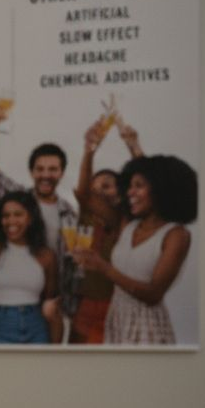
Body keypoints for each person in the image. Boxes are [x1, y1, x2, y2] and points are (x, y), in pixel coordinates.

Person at [0, 103, 79, 337]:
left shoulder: (70, 213)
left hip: (50, 301)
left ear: (61, 173)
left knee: (46, 367)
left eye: (53, 169)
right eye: (40, 169)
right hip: (12, 294)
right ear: (32, 172)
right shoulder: (17, 198)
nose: (46, 175)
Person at [73, 154, 197, 345]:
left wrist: (103, 267)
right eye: (130, 186)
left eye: (138, 186)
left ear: (161, 189)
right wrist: (89, 150)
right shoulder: (127, 223)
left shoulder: (176, 235)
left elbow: (153, 294)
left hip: (147, 325)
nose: (130, 192)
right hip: (117, 318)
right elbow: (84, 196)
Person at [68, 115, 144, 344]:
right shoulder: (86, 215)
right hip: (86, 305)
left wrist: (134, 146)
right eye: (95, 187)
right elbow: (82, 193)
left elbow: (153, 185)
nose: (100, 190)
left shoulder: (130, 217)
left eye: (107, 185)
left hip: (120, 306)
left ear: (121, 191)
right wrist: (89, 150)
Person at [0, 184, 58, 344]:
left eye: (18, 214)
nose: (11, 221)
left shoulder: (46, 255)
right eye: (5, 215)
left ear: (30, 218)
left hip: (36, 324)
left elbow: (50, 301)